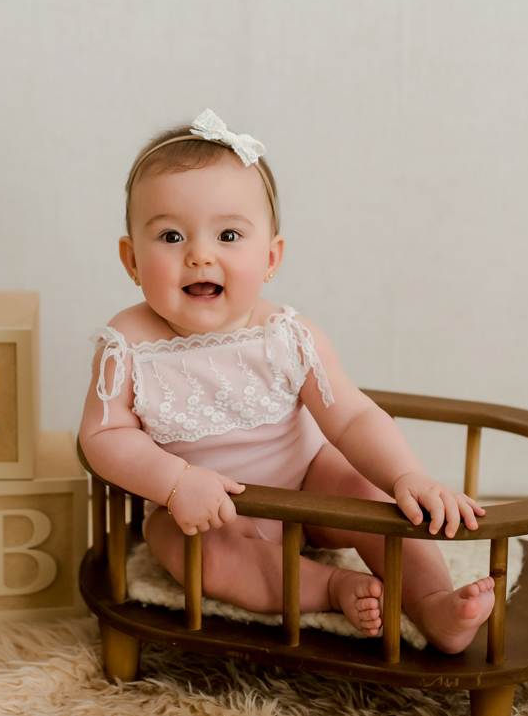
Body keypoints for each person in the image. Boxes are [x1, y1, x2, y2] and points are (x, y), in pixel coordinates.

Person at [78, 109, 495, 653]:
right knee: (193, 553)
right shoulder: (127, 344)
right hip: (204, 511)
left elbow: (351, 415)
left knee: (368, 492)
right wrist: (176, 482)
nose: (200, 254)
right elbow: (103, 436)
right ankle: (329, 587)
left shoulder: (288, 336)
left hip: (307, 485)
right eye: (171, 235)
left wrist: (406, 475)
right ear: (132, 259)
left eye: (229, 234)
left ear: (270, 256)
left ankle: (433, 604)